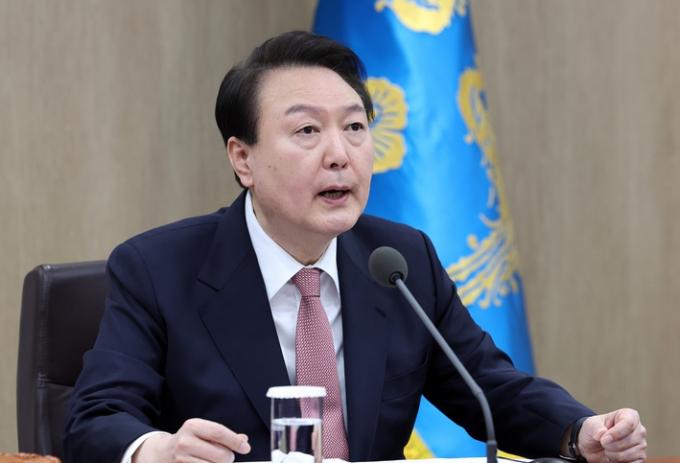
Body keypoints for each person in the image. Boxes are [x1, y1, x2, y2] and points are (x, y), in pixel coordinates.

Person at [64, 31, 647, 463]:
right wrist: (157, 450)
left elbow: (490, 386)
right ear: (242, 158)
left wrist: (581, 432)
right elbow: (96, 417)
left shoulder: (400, 262)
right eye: (307, 131)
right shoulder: (159, 268)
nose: (340, 154)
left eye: (355, 127)